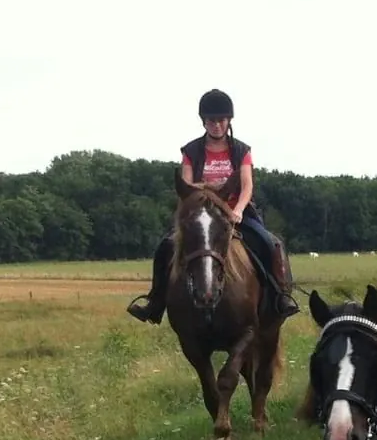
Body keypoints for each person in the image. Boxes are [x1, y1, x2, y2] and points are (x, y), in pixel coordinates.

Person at [127, 88, 298, 323]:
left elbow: (247, 185)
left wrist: (237, 209)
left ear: (228, 121)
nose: (216, 125)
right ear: (204, 122)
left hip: (236, 212)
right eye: (211, 121)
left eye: (221, 120)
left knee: (270, 242)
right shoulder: (191, 151)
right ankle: (155, 303)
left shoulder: (241, 150)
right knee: (165, 247)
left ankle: (281, 296)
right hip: (201, 212)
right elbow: (187, 185)